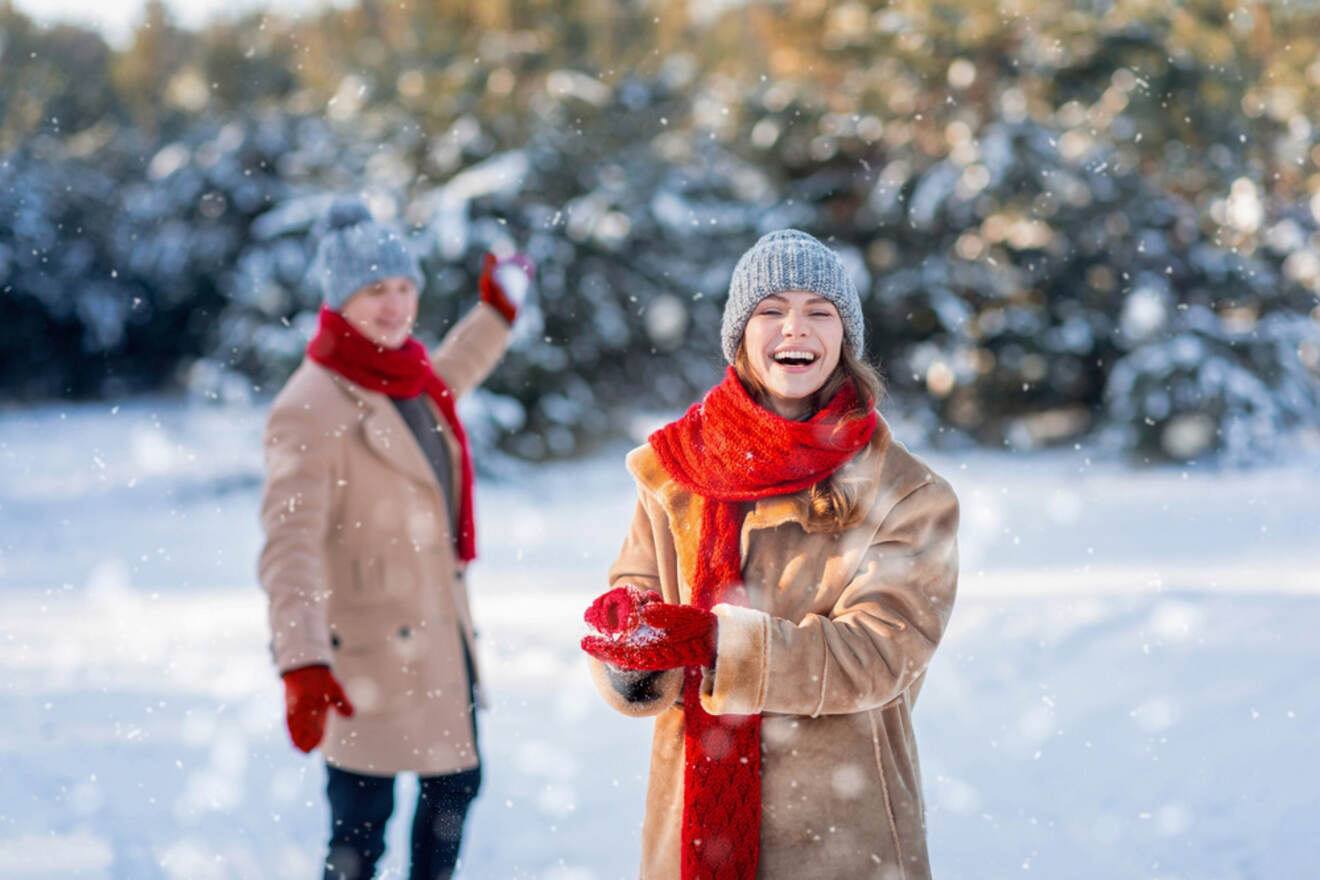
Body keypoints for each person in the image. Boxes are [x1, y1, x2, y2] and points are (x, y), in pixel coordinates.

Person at [580, 229, 960, 880]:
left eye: (820, 311)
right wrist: (631, 649)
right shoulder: (673, 472)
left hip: (843, 830)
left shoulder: (908, 496)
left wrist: (720, 646)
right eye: (771, 310)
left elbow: (879, 652)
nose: (796, 328)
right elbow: (635, 588)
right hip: (692, 829)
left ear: (845, 336)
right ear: (740, 333)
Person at [257, 196, 532, 880]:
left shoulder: (406, 378)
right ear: (339, 298)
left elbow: (453, 370)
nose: (395, 304)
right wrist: (301, 662)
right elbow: (287, 547)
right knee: (359, 839)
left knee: (453, 797)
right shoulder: (310, 404)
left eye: (404, 286)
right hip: (365, 661)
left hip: (440, 643)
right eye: (374, 290)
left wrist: (496, 312)